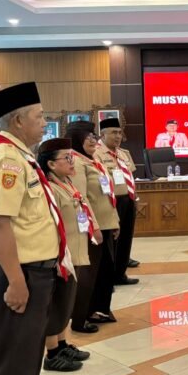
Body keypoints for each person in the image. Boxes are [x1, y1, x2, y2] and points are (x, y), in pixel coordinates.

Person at [0, 82, 66, 375]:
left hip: (34, 274)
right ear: (17, 121)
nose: (45, 123)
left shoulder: (21, 156)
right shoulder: (7, 160)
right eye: (39, 116)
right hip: (20, 275)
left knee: (25, 365)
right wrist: (16, 281)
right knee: (13, 368)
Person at [37, 138, 96, 371]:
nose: (72, 162)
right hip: (62, 255)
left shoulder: (66, 183)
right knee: (56, 303)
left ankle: (62, 344)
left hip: (75, 251)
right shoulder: (49, 189)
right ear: (51, 164)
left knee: (66, 302)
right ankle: (52, 353)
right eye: (67, 158)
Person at [66, 121, 120, 329]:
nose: (92, 140)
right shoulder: (76, 163)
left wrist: (114, 220)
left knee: (104, 272)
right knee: (89, 274)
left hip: (106, 224)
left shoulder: (93, 160)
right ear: (77, 139)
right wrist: (94, 227)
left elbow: (107, 193)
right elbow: (81, 198)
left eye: (93, 136)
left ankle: (99, 309)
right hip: (92, 228)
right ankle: (81, 317)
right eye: (87, 136)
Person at [95, 118, 139, 285]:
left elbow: (131, 177)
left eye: (120, 133)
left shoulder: (123, 153)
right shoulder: (96, 154)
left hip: (128, 200)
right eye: (114, 132)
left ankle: (120, 274)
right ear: (102, 134)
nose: (118, 136)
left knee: (126, 238)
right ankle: (109, 278)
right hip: (111, 201)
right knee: (112, 240)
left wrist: (135, 197)